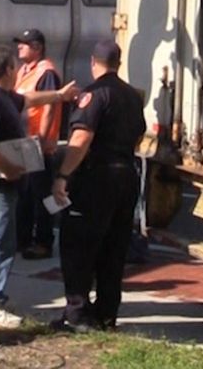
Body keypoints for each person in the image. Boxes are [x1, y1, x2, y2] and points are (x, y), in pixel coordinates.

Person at [0, 45, 76, 328]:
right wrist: (8, 167)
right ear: (9, 69)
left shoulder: (4, 97)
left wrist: (59, 96)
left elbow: (29, 99)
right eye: (16, 67)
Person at [52, 38, 147, 332]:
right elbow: (139, 135)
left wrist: (63, 175)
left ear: (93, 62)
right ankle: (106, 314)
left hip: (96, 178)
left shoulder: (94, 94)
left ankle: (78, 314)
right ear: (119, 63)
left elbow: (81, 139)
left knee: (78, 245)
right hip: (126, 176)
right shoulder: (133, 96)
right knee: (114, 248)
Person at [13, 29, 65, 260]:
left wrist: (42, 140)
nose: (19, 47)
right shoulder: (25, 71)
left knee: (43, 196)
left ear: (37, 47)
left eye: (24, 44)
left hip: (38, 144)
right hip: (25, 143)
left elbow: (50, 106)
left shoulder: (46, 72)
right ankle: (23, 239)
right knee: (25, 195)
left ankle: (44, 242)